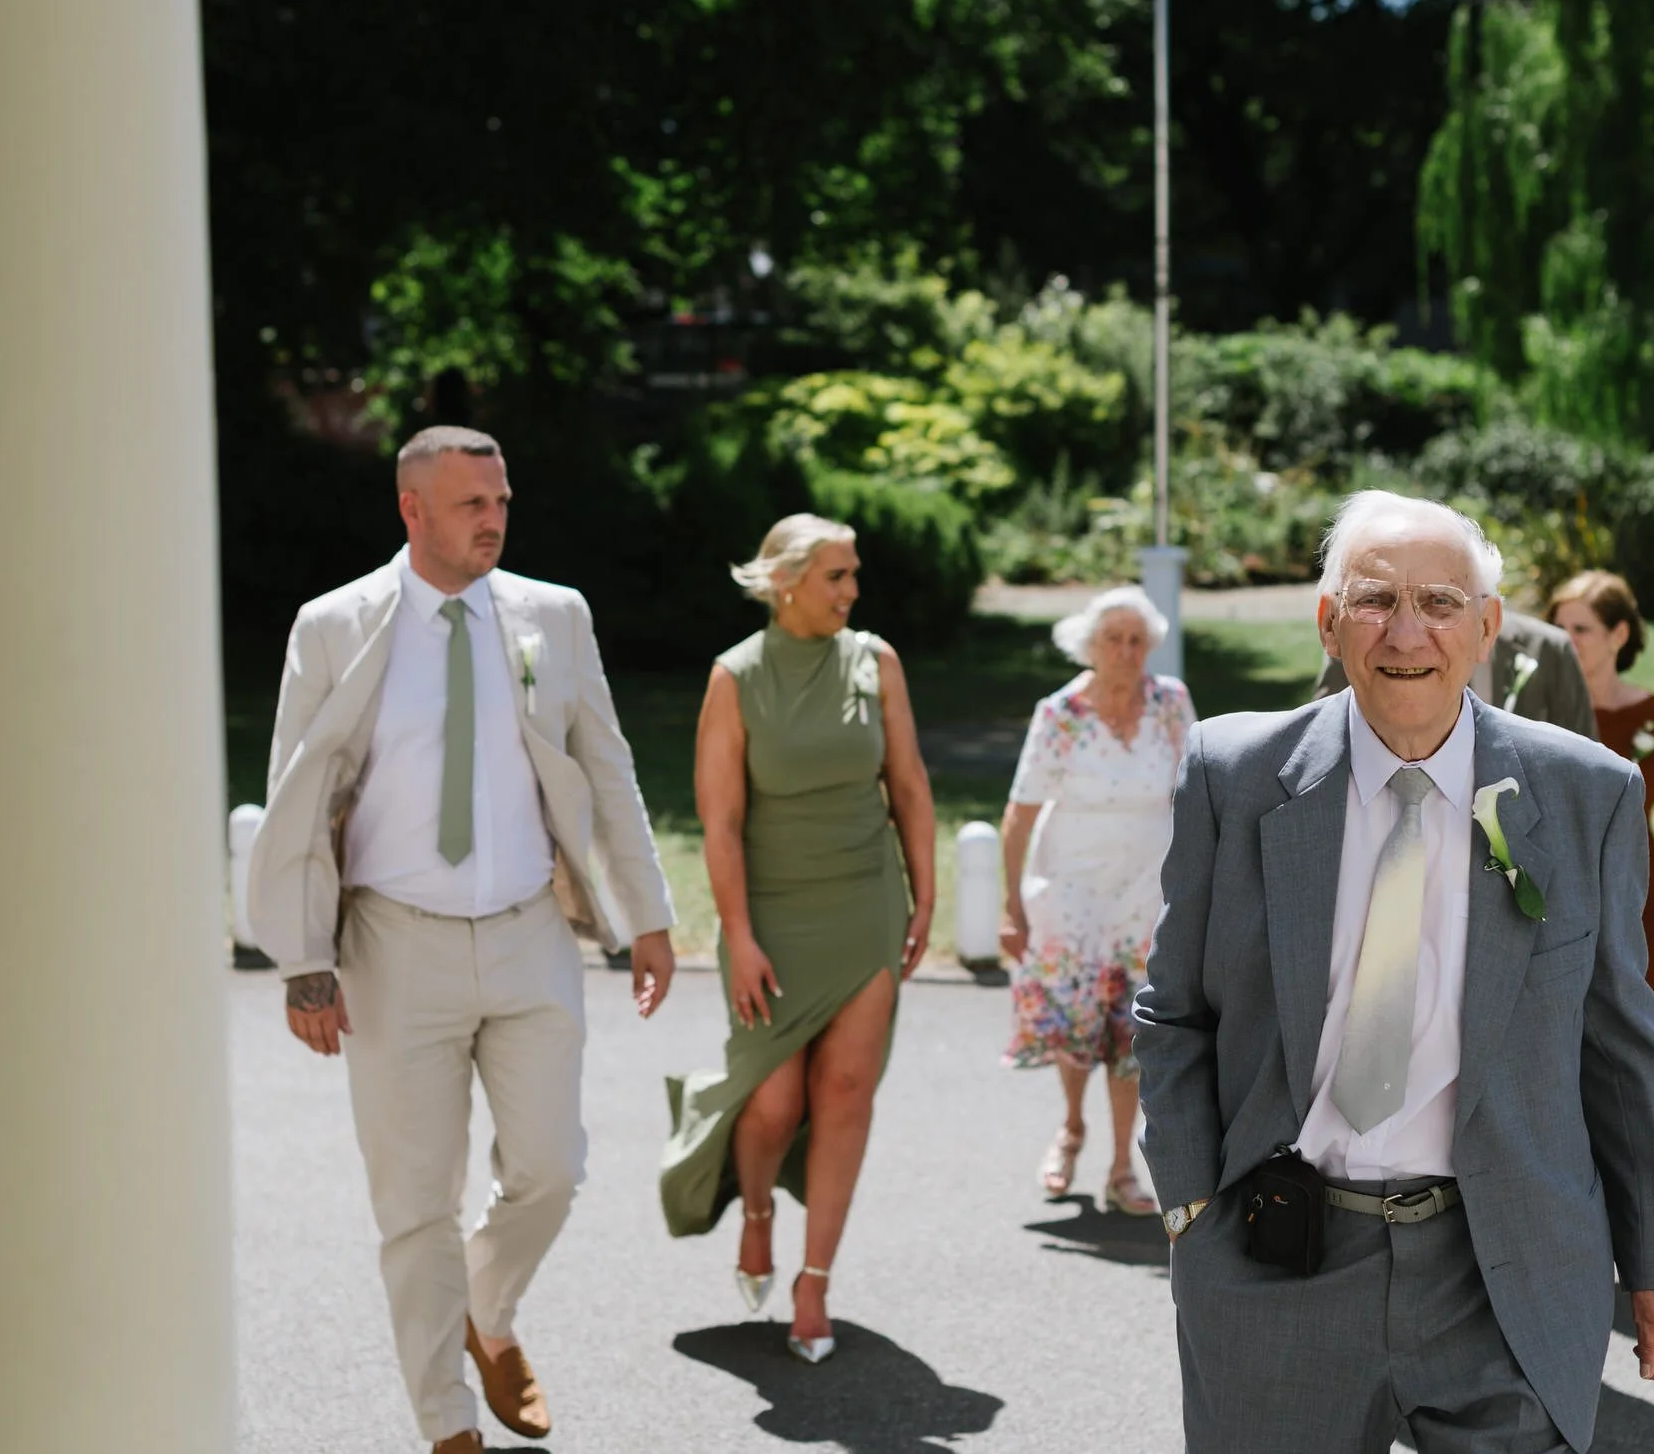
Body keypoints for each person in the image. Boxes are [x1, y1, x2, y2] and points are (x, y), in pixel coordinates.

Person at [1136, 488, 1654, 1454]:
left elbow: (1620, 1047)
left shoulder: (1584, 794)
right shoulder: (1232, 773)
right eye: (1373, 600)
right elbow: (1174, 1012)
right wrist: (1194, 1208)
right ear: (1327, 621)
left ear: (1488, 629)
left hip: (1507, 1268)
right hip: (1280, 1255)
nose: (1408, 632)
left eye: (1441, 603)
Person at [247, 426, 679, 1454]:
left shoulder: (551, 615)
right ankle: (446, 1422)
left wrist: (649, 912)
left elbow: (606, 764)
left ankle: (485, 1312)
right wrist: (306, 958)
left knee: (552, 1168)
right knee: (413, 1204)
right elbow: (295, 798)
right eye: (468, 504)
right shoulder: (335, 625)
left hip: (532, 931)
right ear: (412, 510)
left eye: (500, 501)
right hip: (393, 946)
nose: (491, 519)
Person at [661, 514, 937, 1365]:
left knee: (847, 1088)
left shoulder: (875, 661)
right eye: (836, 576)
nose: (852, 590)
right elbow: (720, 822)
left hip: (863, 906)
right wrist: (736, 936)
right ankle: (755, 1211)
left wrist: (923, 897)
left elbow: (911, 786)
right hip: (772, 915)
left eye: (854, 574)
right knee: (775, 1102)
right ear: (785, 581)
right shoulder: (734, 677)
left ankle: (814, 1281)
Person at [997, 585, 1195, 1215]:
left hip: (1145, 887)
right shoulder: (1060, 713)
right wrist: (1010, 906)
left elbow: (1197, 794)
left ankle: (1118, 1167)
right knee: (1078, 1022)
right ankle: (1071, 1126)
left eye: (1138, 639)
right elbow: (1019, 814)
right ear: (1091, 645)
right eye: (1114, 638)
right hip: (1071, 887)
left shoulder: (1171, 704)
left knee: (1131, 1030)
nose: (1127, 651)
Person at [1547, 571, 1654, 1007]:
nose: (1567, 641)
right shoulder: (1532, 718)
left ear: (1618, 635)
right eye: (1558, 630)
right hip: (1549, 906)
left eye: (1581, 629)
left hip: (1639, 906)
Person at [1315, 600, 1596, 740]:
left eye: (1441, 599)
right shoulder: (1360, 643)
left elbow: (1584, 750)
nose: (1407, 638)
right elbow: (1325, 732)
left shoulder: (1550, 647)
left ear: (1488, 620)